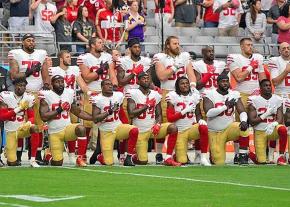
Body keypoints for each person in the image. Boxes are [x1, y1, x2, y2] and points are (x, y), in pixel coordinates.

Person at [8, 33, 50, 166]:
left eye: (33, 40)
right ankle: (18, 155)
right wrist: (28, 72)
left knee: (38, 126)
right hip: (22, 94)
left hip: (37, 93)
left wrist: (47, 88)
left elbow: (45, 75)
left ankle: (36, 155)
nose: (31, 42)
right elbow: (14, 76)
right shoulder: (15, 53)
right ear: (23, 42)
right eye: (28, 40)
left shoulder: (41, 53)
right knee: (20, 125)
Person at [154, 36, 196, 163]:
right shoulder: (160, 57)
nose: (178, 46)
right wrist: (175, 66)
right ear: (167, 45)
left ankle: (180, 153)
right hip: (168, 92)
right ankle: (159, 154)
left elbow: (191, 75)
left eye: (178, 43)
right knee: (166, 124)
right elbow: (161, 76)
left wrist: (193, 88)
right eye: (174, 43)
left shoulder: (185, 56)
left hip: (183, 94)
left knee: (183, 125)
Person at [127, 72, 180, 166]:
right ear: (138, 81)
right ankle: (135, 156)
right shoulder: (133, 93)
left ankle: (168, 158)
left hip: (152, 129)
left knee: (173, 128)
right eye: (143, 78)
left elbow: (159, 114)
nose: (146, 80)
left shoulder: (155, 94)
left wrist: (158, 124)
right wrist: (146, 106)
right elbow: (131, 114)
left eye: (148, 78)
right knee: (143, 162)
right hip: (140, 131)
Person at [227, 37, 266, 163]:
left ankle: (258, 153)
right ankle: (238, 153)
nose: (250, 47)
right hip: (241, 94)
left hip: (256, 95)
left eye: (251, 44)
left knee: (259, 124)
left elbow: (262, 78)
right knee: (241, 124)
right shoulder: (234, 58)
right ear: (242, 47)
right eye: (248, 45)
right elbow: (238, 77)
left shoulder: (258, 57)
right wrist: (250, 67)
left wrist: (263, 92)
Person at [39, 75, 92, 167]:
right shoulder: (46, 96)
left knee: (81, 128)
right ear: (51, 84)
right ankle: (48, 156)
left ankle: (80, 157)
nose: (60, 84)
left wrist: (93, 118)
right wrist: (60, 109)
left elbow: (77, 111)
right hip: (55, 133)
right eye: (57, 82)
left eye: (61, 82)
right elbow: (44, 117)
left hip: (67, 129)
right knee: (57, 163)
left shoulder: (69, 93)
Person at [48, 50, 89, 164]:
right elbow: (51, 86)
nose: (70, 59)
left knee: (73, 127)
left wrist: (88, 94)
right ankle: (51, 151)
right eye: (67, 57)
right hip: (58, 101)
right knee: (57, 126)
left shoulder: (74, 69)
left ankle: (72, 154)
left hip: (71, 101)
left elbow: (81, 83)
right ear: (61, 59)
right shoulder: (54, 70)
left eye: (70, 56)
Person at [77, 37, 112, 162]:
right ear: (92, 45)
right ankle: (83, 153)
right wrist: (100, 70)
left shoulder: (107, 56)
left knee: (104, 124)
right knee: (87, 125)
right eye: (99, 42)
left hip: (105, 94)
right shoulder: (84, 58)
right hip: (92, 93)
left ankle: (99, 153)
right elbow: (86, 78)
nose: (102, 44)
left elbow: (111, 76)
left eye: (102, 42)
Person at [203, 73, 250, 165]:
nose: (225, 83)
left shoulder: (234, 94)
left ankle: (243, 156)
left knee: (243, 127)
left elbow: (242, 111)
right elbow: (208, 113)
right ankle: (213, 154)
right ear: (217, 83)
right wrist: (225, 106)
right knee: (218, 162)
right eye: (222, 82)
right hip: (215, 132)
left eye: (227, 81)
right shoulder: (210, 93)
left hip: (229, 129)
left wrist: (244, 121)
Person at [91, 79, 138, 166]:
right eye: (107, 84)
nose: (110, 86)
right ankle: (100, 156)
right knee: (109, 163)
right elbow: (95, 119)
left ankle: (128, 157)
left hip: (117, 127)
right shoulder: (97, 99)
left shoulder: (118, 95)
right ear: (101, 87)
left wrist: (125, 122)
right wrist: (109, 111)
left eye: (111, 84)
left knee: (134, 130)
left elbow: (121, 112)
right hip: (106, 131)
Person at [166, 76, 211, 166]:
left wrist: (200, 120)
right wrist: (184, 111)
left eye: (187, 83)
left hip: (191, 129)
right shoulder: (172, 96)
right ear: (177, 86)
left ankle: (203, 157)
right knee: (182, 161)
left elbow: (198, 114)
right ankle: (176, 155)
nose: (185, 85)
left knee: (203, 127)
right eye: (182, 83)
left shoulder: (194, 96)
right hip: (179, 131)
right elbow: (170, 118)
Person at [0, 77, 39, 167]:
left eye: (23, 86)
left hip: (22, 129)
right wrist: (19, 109)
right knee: (12, 163)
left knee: (35, 128)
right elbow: (2, 117)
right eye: (19, 85)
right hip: (11, 131)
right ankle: (8, 150)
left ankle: (33, 160)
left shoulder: (28, 97)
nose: (21, 87)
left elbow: (32, 116)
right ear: (14, 86)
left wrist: (29, 123)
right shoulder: (6, 96)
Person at [248, 79, 288, 165]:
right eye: (265, 85)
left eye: (269, 85)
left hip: (272, 129)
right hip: (260, 131)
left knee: (283, 129)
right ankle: (250, 155)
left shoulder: (277, 99)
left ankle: (281, 156)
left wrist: (274, 124)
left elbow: (280, 119)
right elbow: (252, 121)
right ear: (260, 88)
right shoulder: (254, 100)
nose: (268, 87)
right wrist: (266, 114)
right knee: (261, 162)